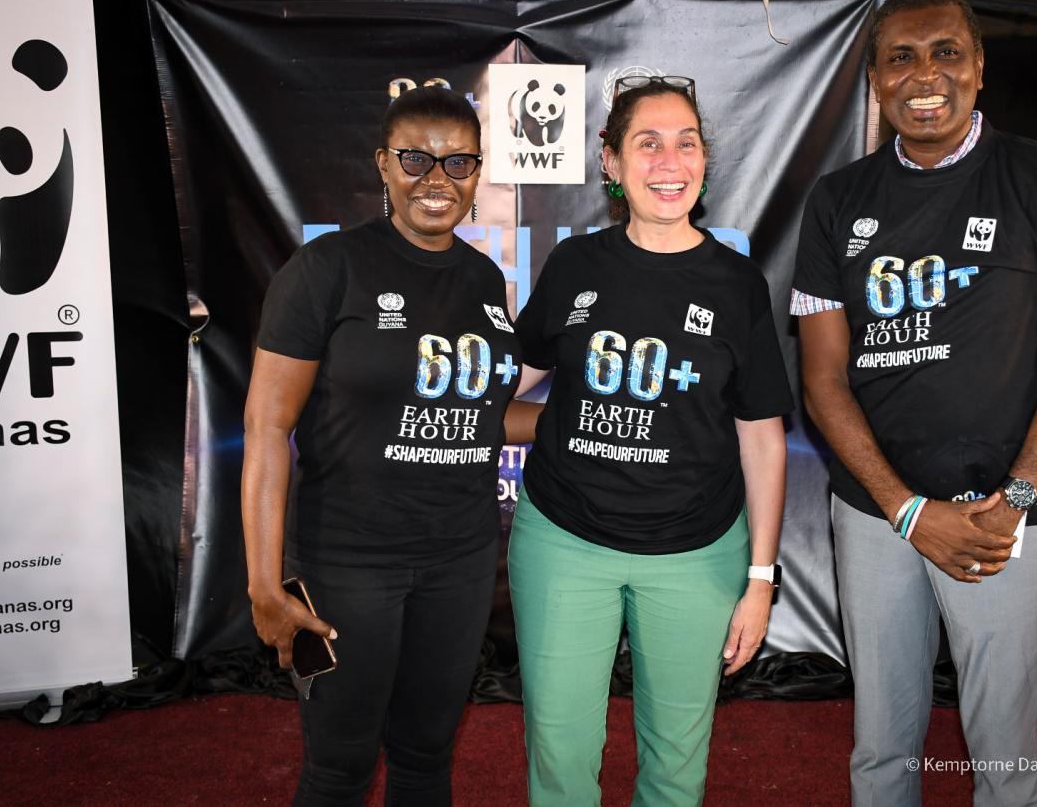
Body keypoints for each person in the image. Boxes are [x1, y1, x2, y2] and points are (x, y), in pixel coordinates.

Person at [792, 0, 1037, 804]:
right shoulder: (837, 201)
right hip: (877, 516)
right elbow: (823, 377)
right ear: (873, 80)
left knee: (1004, 752)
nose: (924, 74)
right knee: (882, 749)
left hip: (1001, 519)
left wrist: (1013, 498)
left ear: (979, 68)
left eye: (946, 52)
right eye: (900, 57)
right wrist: (904, 507)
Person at [509, 76, 793, 807]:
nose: (670, 161)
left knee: (676, 768)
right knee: (561, 756)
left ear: (704, 160)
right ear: (610, 161)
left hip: (697, 553)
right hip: (564, 540)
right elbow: (515, 373)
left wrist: (760, 579)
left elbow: (762, 437)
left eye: (687, 142)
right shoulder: (575, 264)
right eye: (648, 142)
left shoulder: (737, 283)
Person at [241, 86, 521, 806]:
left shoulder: (487, 280)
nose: (437, 178)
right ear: (382, 165)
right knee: (339, 768)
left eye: (458, 161)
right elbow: (268, 429)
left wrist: (590, 416)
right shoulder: (325, 270)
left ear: (478, 170)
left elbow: (483, 412)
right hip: (348, 562)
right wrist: (264, 584)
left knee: (427, 757)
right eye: (416, 158)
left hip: (459, 560)